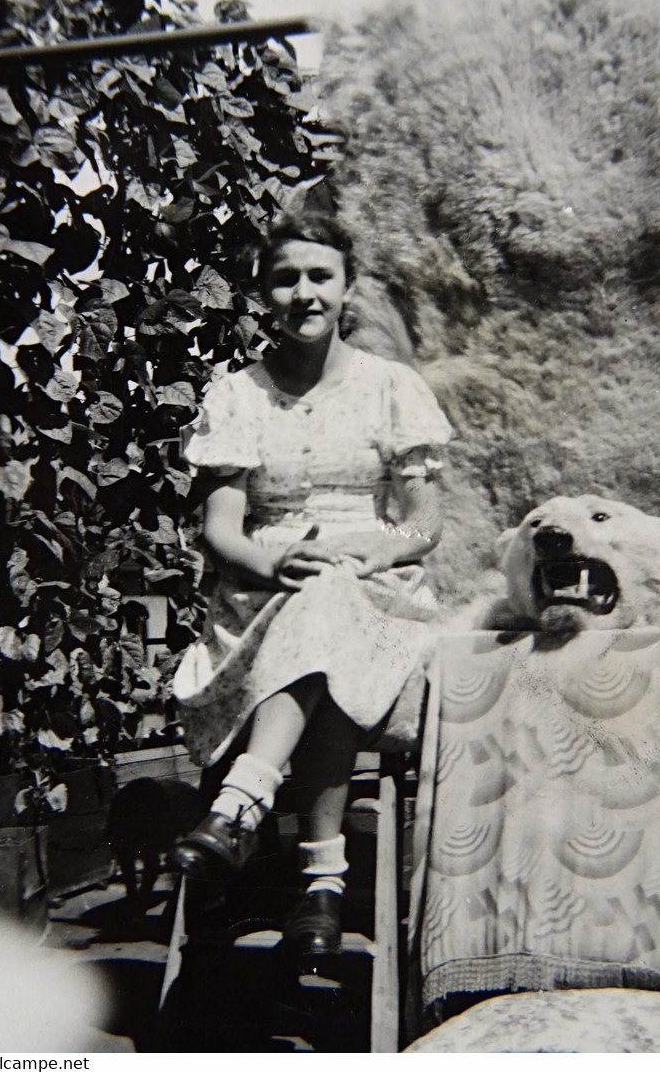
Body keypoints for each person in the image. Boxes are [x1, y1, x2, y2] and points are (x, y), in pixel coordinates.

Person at [170, 210, 451, 959]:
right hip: (259, 598)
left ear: (346, 287)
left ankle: (242, 804)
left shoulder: (392, 387)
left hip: (374, 587)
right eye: (285, 278)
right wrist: (274, 563)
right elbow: (221, 531)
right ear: (263, 293)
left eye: (319, 276)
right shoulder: (237, 395)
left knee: (330, 593)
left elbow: (422, 525)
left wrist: (369, 551)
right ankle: (320, 882)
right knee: (316, 599)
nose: (303, 293)